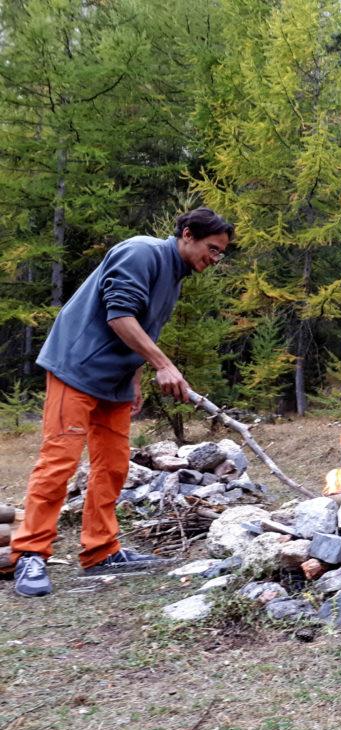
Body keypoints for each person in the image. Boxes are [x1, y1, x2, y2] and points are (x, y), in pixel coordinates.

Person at [10, 208, 234, 597]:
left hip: (113, 380)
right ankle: (30, 554)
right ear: (187, 234)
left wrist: (134, 377)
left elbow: (141, 328)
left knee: (113, 466)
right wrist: (163, 365)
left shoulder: (175, 276)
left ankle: (101, 551)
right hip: (75, 368)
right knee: (58, 462)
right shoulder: (141, 252)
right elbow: (119, 316)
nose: (214, 259)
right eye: (212, 249)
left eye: (220, 254)